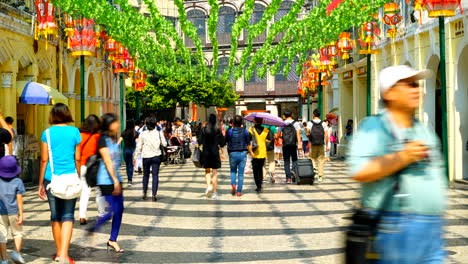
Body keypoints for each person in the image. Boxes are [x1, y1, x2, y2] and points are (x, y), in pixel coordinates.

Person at [348, 65, 446, 263]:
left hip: (431, 227)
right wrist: (403, 156)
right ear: (389, 93)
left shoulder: (422, 128)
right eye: (410, 85)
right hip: (394, 224)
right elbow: (358, 170)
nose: (417, 90)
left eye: (417, 85)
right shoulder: (374, 126)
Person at [38, 103, 81, 264]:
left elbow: (44, 160)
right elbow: (77, 158)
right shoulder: (74, 132)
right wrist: (79, 175)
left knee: (55, 216)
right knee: (68, 215)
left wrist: (40, 183)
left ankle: (58, 253)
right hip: (70, 177)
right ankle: (64, 255)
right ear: (67, 114)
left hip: (52, 178)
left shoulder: (46, 133)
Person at [88, 113, 125, 253]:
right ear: (109, 124)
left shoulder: (113, 138)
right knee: (114, 210)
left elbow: (115, 161)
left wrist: (118, 179)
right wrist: (115, 180)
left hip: (117, 179)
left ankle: (112, 240)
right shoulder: (102, 140)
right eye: (116, 123)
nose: (118, 125)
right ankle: (94, 227)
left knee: (120, 210)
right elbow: (108, 161)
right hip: (105, 180)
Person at [78, 114, 106, 226]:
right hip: (95, 166)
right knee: (99, 191)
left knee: (85, 191)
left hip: (82, 166)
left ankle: (82, 216)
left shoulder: (79, 135)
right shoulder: (97, 136)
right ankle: (101, 214)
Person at [134, 116, 167, 201]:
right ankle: (154, 194)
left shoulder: (143, 134)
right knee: (155, 175)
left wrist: (135, 156)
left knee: (145, 175)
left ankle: (144, 193)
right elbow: (165, 144)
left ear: (146, 124)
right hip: (156, 156)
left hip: (146, 156)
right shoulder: (159, 133)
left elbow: (139, 147)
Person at [0, 156, 25, 264]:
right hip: (14, 211)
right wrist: (21, 214)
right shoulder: (18, 181)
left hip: (1, 212)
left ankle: (4, 260)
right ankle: (16, 253)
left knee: (2, 236)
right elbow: (19, 198)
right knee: (17, 233)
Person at [199, 114, 226, 199]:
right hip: (215, 152)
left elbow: (199, 141)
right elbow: (222, 143)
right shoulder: (217, 129)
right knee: (215, 173)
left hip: (206, 152)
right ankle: (215, 192)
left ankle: (209, 186)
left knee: (207, 171)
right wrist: (223, 153)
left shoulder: (203, 129)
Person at [225, 115, 251, 196]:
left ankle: (233, 184)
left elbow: (226, 141)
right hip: (243, 152)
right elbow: (248, 142)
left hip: (232, 153)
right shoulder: (245, 131)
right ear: (241, 123)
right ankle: (239, 191)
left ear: (233, 123)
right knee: (241, 173)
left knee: (233, 171)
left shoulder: (230, 131)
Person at [248, 117, 272, 192]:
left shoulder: (251, 130)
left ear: (254, 121)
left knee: (255, 170)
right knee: (260, 168)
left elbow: (248, 141)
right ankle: (260, 185)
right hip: (263, 151)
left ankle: (258, 185)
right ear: (262, 121)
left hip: (254, 152)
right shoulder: (266, 130)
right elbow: (270, 139)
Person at [281, 111, 302, 184]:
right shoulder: (296, 123)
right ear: (291, 114)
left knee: (286, 161)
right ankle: (293, 174)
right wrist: (299, 144)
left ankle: (288, 178)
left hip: (285, 145)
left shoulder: (282, 123)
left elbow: (279, 134)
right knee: (294, 160)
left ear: (284, 116)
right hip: (293, 144)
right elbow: (298, 134)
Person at [307, 109, 327, 182]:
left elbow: (307, 133)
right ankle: (320, 176)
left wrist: (310, 139)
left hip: (313, 143)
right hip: (321, 143)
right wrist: (327, 145)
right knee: (321, 160)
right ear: (319, 115)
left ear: (313, 115)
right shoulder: (324, 123)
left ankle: (314, 168)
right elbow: (327, 135)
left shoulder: (310, 123)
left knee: (311, 158)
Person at [119, 120, 138, 186]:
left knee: (127, 165)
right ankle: (130, 180)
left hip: (126, 150)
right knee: (131, 165)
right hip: (133, 150)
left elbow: (119, 141)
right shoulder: (135, 133)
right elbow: (138, 141)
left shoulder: (123, 132)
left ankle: (128, 179)